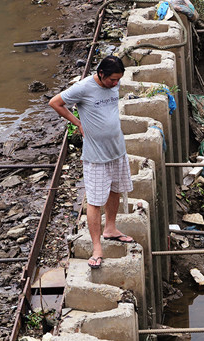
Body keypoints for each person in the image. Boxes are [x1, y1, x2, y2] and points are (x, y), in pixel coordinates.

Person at [49, 56, 134, 268]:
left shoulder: (114, 83)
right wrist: (77, 123)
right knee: (95, 200)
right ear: (101, 73)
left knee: (115, 189)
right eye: (112, 80)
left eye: (118, 80)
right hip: (96, 155)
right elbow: (55, 102)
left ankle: (111, 228)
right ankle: (97, 247)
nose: (116, 84)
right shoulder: (84, 87)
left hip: (117, 148)